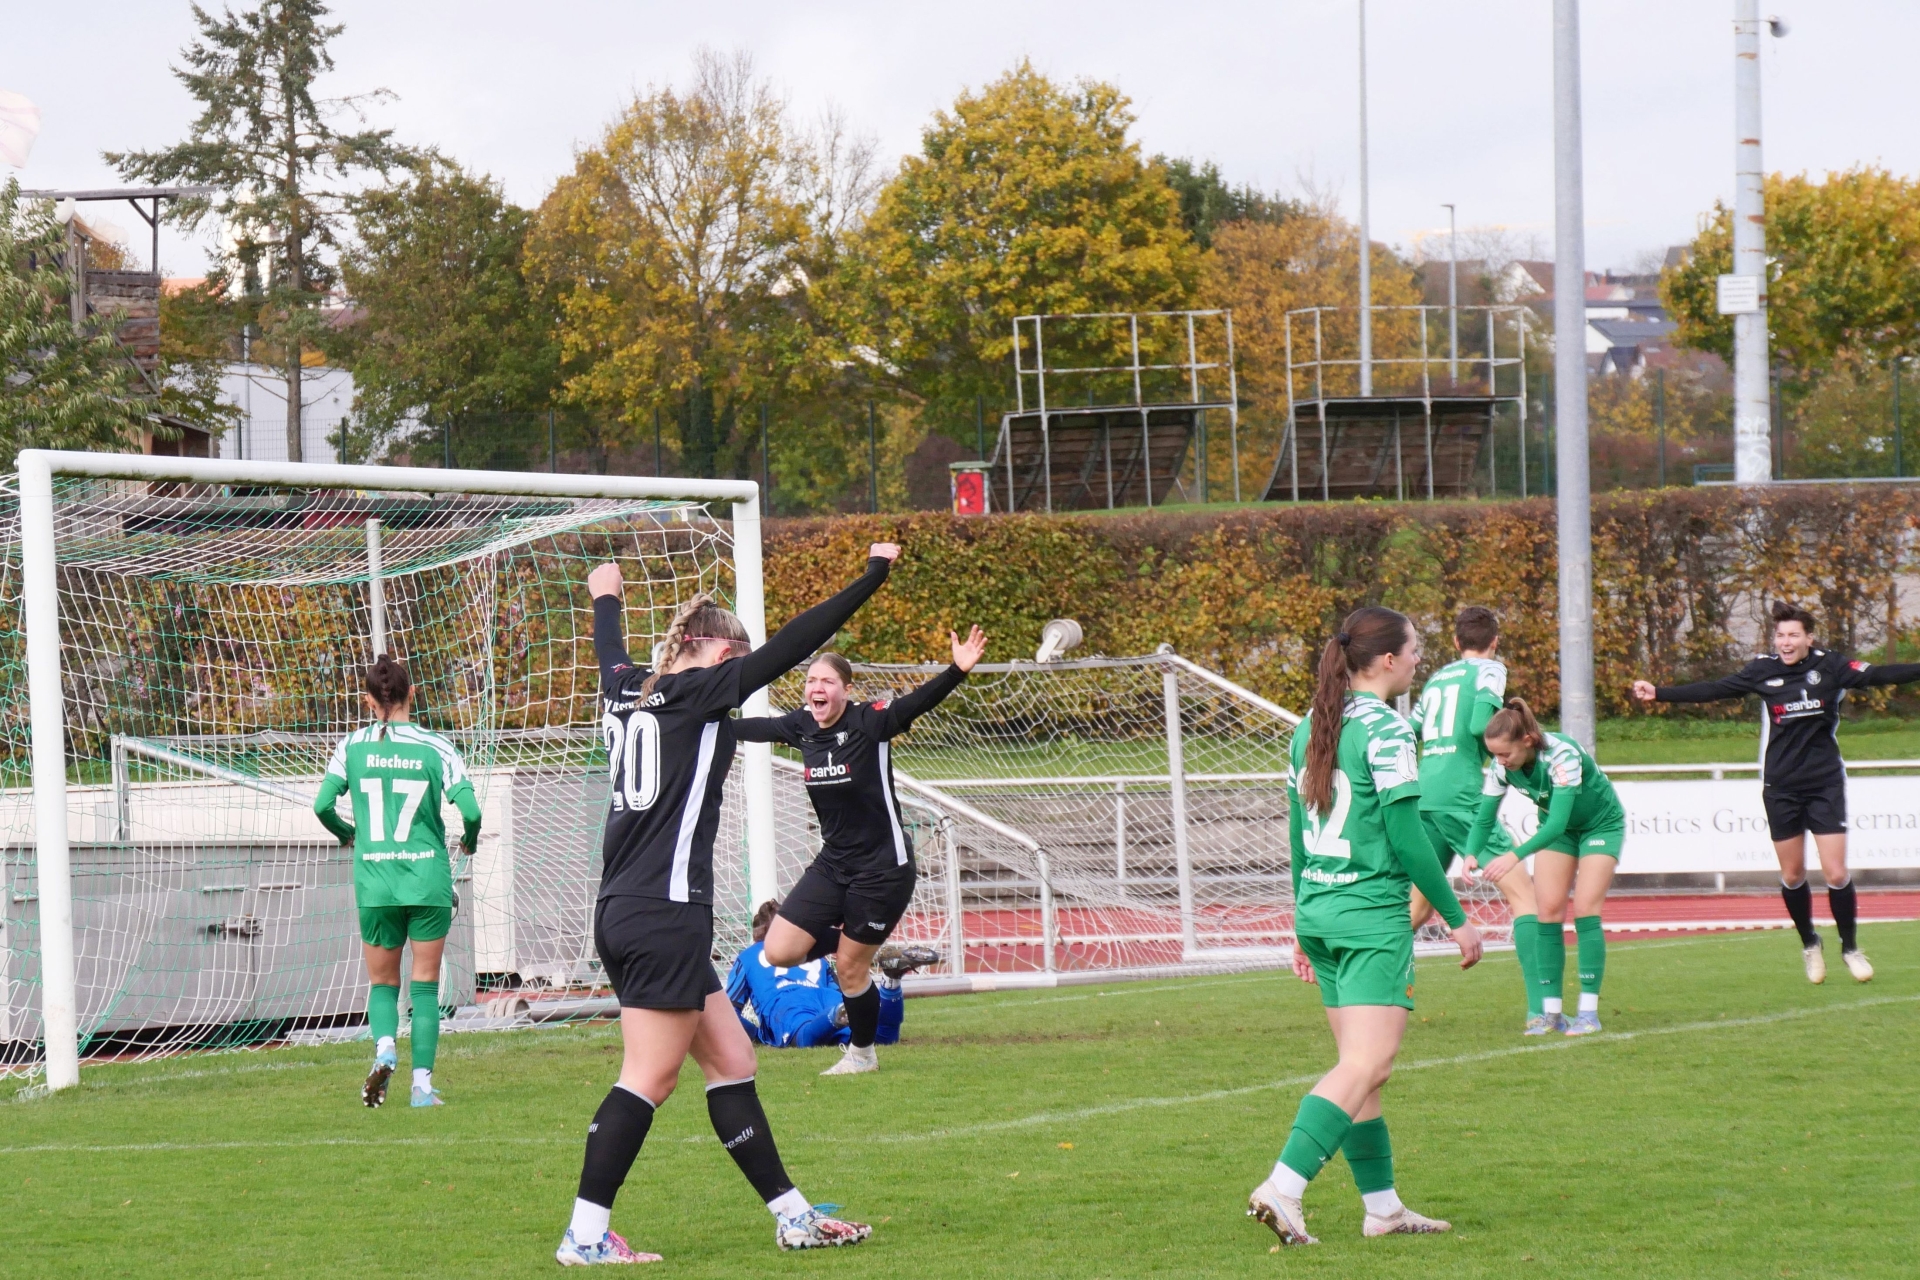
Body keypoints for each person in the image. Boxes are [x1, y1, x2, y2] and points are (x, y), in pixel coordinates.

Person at [554, 546, 898, 1267]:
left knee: (734, 1058)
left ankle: (794, 1217)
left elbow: (610, 651)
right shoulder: (696, 691)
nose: (743, 673)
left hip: (628, 906)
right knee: (649, 1076)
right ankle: (584, 1235)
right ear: (709, 650)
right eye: (736, 657)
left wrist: (605, 596)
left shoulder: (626, 688)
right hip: (663, 911)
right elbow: (797, 641)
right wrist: (870, 577)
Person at [1249, 606, 1482, 1248]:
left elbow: (1299, 833)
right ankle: (1283, 1187)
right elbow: (1407, 837)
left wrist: (1301, 920)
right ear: (1386, 659)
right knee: (1366, 1063)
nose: (1419, 659)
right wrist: (1458, 919)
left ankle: (1383, 1209)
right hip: (1370, 915)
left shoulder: (1311, 724)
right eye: (1414, 649)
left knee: (1363, 1074)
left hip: (1321, 911)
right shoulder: (1386, 727)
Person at [735, 625, 987, 1076]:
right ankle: (869, 947)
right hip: (834, 863)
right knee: (778, 950)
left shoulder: (870, 720)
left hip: (882, 869)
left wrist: (957, 670)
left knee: (851, 968)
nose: (817, 688)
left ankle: (862, 1055)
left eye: (827, 681)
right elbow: (756, 728)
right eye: (811, 680)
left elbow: (916, 702)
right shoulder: (802, 725)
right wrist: (696, 719)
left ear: (846, 690)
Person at [1631, 601, 1920, 985]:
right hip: (1781, 786)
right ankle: (1810, 943)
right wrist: (1660, 692)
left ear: (1808, 638)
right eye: (1780, 635)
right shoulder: (1762, 670)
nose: (1786, 642)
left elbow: (1881, 674)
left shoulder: (1831, 666)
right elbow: (1715, 689)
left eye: (1793, 635)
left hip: (1824, 782)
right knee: (1793, 873)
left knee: (1835, 872)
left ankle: (1850, 948)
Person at [313, 654, 481, 1109]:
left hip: (376, 881)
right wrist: (470, 840)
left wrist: (347, 833)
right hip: (426, 879)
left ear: (368, 701)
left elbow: (322, 805)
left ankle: (385, 1047)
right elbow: (471, 812)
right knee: (424, 984)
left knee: (383, 983)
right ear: (412, 694)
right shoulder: (436, 747)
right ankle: (422, 1087)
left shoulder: (351, 746)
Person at [1406, 607, 1547, 1033]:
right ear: (1495, 641)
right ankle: (1541, 1010)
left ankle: (1373, 993)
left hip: (1424, 792)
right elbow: (1477, 726)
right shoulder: (1490, 670)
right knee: (1524, 898)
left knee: (1416, 908)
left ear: (1455, 642)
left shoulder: (1437, 678)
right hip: (1462, 795)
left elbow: (1412, 728)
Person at [1463, 698, 1626, 1037]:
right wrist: (1470, 853)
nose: (1499, 761)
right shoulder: (1501, 767)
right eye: (1494, 755)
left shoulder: (1561, 754)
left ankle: (1588, 1013)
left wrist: (1513, 856)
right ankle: (1552, 1013)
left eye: (1504, 754)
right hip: (1560, 831)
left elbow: (1556, 823)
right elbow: (1484, 817)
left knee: (1585, 909)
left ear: (1527, 741)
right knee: (1548, 912)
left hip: (1599, 825)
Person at [725, 900, 938, 1049]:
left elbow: (729, 1013)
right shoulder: (813, 954)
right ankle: (891, 981)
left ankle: (836, 1015)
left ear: (757, 935)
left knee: (804, 1037)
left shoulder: (748, 957)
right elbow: (838, 987)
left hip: (787, 1003)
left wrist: (756, 1035)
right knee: (882, 1038)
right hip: (826, 996)